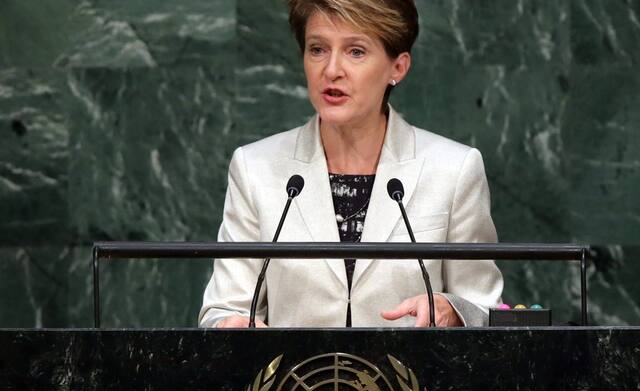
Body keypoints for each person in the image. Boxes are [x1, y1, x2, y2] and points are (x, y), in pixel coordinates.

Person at [199, 0, 503, 328]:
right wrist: (230, 326)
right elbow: (224, 307)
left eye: (355, 51)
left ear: (397, 68)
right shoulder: (255, 168)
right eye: (317, 49)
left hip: (409, 379)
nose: (331, 70)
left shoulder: (453, 169)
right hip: (294, 379)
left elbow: (483, 306)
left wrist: (451, 310)